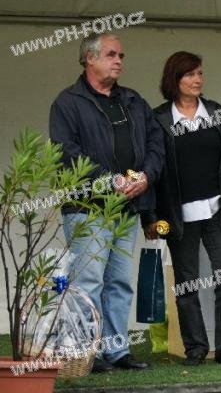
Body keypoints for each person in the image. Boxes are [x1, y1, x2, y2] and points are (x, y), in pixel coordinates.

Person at [49, 32, 164, 372]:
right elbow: (66, 153)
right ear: (90, 58)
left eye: (121, 56)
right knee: (89, 282)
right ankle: (87, 353)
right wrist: (109, 180)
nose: (119, 61)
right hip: (88, 209)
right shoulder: (67, 102)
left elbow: (156, 141)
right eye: (112, 54)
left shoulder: (133, 100)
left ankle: (116, 351)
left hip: (127, 208)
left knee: (119, 283)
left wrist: (146, 176)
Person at [141, 51, 221, 366]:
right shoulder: (158, 119)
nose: (197, 80)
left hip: (218, 212)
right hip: (177, 217)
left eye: (200, 73)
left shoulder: (217, 112)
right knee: (187, 284)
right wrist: (150, 218)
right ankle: (195, 348)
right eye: (190, 74)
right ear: (174, 79)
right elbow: (150, 170)